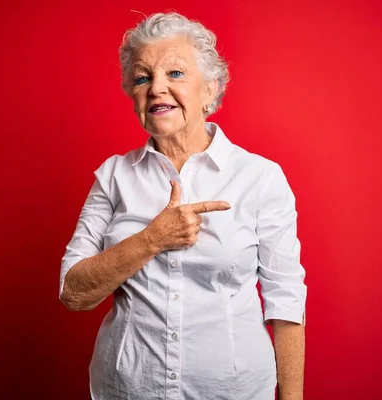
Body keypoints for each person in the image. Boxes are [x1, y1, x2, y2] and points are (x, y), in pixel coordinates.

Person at [59, 12, 307, 400]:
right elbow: (74, 293)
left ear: (210, 90)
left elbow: (286, 302)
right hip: (127, 389)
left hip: (234, 391)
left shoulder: (260, 177)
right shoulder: (113, 177)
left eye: (175, 74)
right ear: (133, 95)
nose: (157, 88)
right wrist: (151, 240)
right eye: (143, 78)